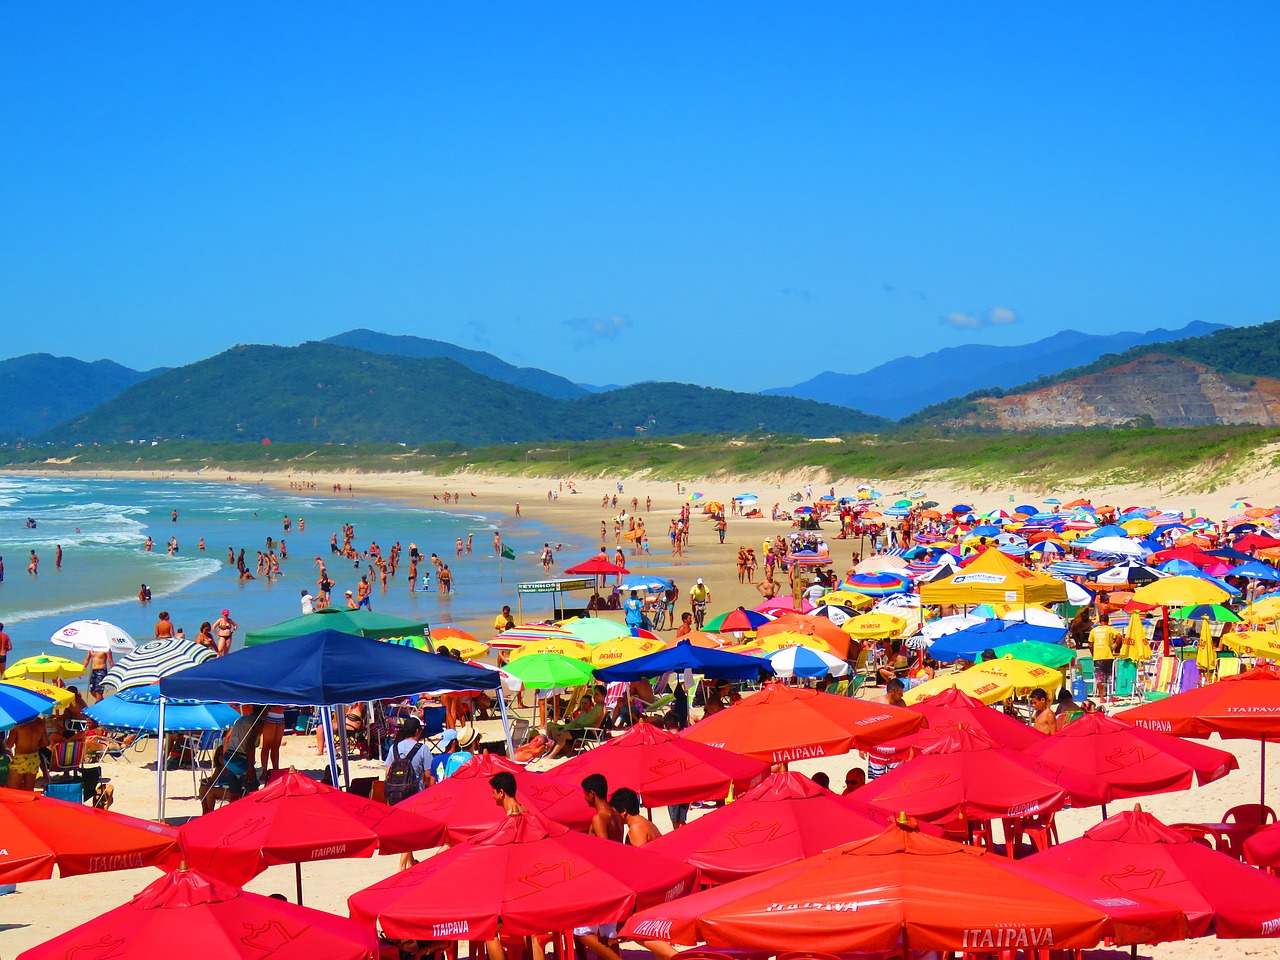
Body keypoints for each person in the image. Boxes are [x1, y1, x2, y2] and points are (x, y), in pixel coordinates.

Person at [546, 686, 608, 759]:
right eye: (594, 694)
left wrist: (580, 726)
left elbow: (597, 724)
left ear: (603, 695)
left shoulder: (602, 708)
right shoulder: (595, 707)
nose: (594, 696)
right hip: (582, 729)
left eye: (597, 694)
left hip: (589, 731)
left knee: (563, 734)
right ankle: (565, 751)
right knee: (554, 730)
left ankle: (552, 755)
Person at [6, 717, 48, 790]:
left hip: (20, 759)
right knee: (28, 792)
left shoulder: (17, 724)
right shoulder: (40, 722)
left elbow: (9, 745)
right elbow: (45, 743)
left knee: (12, 792)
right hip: (34, 758)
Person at [582, 773, 623, 841]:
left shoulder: (599, 818)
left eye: (585, 794)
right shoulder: (616, 813)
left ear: (591, 793)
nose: (584, 798)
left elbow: (606, 847)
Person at [1089, 615, 1121, 698]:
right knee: (1109, 676)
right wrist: (1115, 645)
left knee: (1099, 678)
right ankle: (1110, 696)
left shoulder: (1093, 630)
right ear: (1108, 621)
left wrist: (1093, 654)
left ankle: (1101, 697)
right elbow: (1120, 636)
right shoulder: (1110, 629)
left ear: (1099, 621)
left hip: (1097, 657)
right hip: (1108, 656)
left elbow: (1090, 645)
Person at [259, 706, 286, 776]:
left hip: (281, 716)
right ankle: (264, 771)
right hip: (270, 716)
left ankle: (276, 770)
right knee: (266, 746)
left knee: (276, 747)